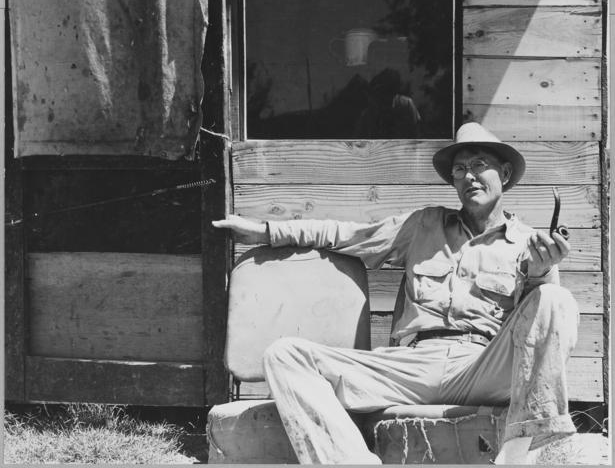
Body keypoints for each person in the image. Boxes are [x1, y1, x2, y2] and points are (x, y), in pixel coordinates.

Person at [212, 122, 579, 465]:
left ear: (505, 174)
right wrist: (267, 231)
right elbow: (346, 234)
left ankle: (519, 456)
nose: (468, 176)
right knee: (284, 355)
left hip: (482, 366)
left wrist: (540, 273)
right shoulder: (424, 225)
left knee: (555, 299)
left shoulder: (531, 245)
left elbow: (543, 333)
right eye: (459, 169)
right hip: (411, 365)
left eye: (479, 164)